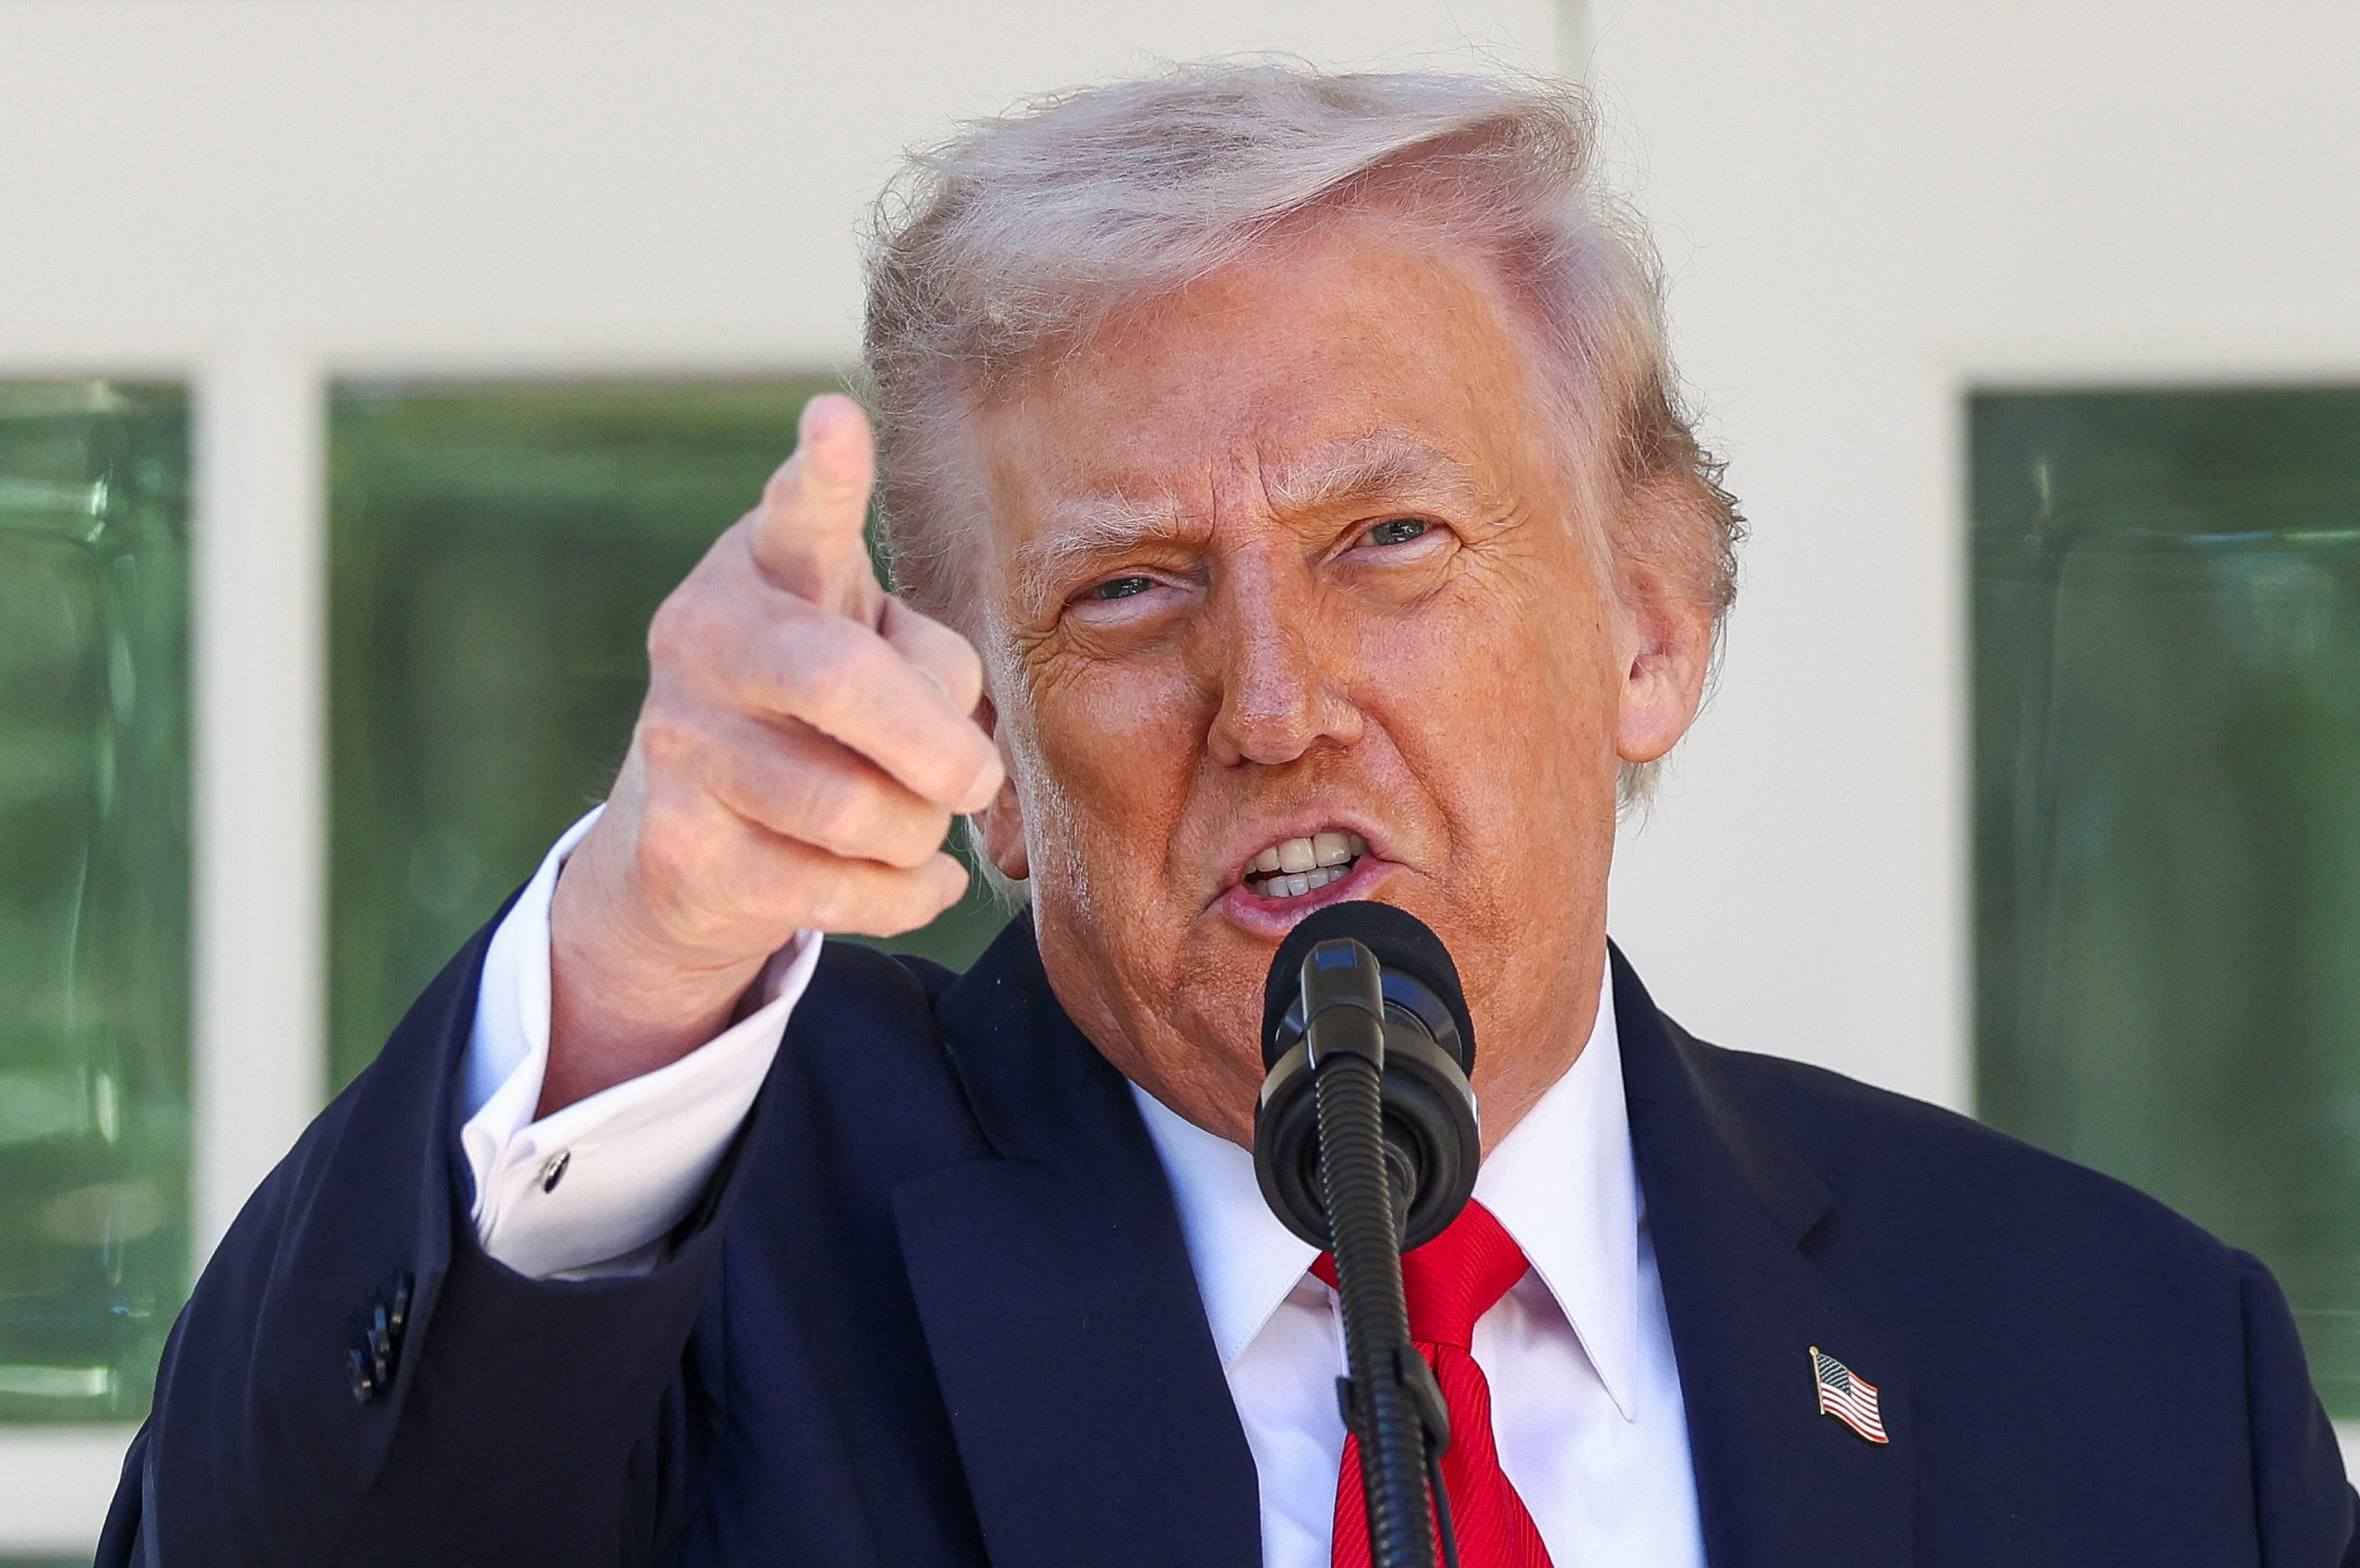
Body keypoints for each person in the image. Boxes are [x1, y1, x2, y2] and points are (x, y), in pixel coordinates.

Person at [101, 65, 2357, 1568]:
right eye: (1130, 590)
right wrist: (632, 948)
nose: (1273, 705)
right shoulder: (713, 1288)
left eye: (1390, 542)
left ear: (1653, 625)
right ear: (968, 744)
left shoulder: (2136, 1375)